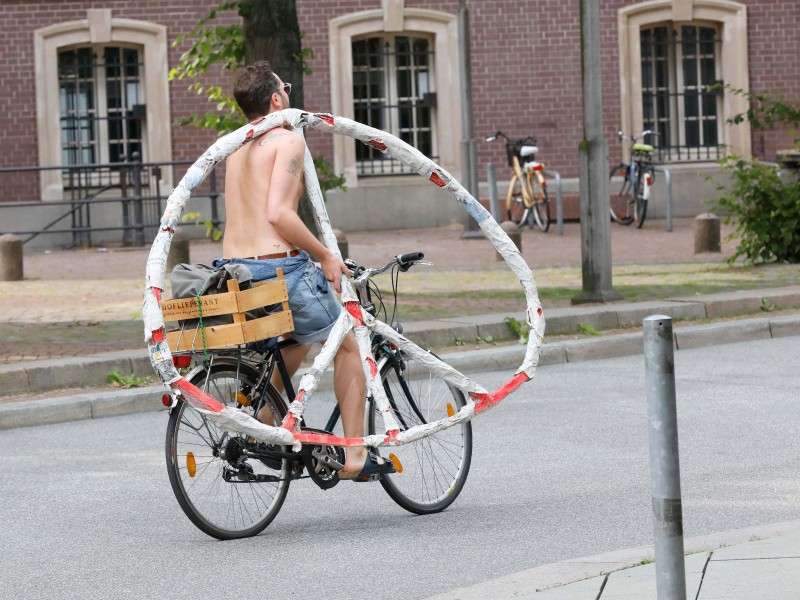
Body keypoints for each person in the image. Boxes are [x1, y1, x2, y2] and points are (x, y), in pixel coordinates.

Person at [213, 61, 393, 481]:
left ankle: (262, 419)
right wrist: (326, 257)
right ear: (276, 100)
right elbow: (277, 214)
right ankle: (354, 456)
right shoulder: (287, 140)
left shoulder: (235, 146)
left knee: (300, 337)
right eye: (286, 88)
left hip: (235, 270)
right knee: (348, 343)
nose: (288, 94)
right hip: (276, 270)